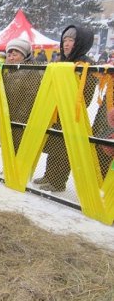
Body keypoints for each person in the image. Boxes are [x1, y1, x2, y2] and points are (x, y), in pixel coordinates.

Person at [33, 25, 97, 192]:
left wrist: (68, 103)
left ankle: (57, 181)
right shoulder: (63, 62)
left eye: (71, 40)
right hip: (57, 112)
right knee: (54, 144)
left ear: (81, 43)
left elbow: (86, 96)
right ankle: (49, 175)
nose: (67, 44)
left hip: (72, 114)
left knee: (64, 149)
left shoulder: (85, 65)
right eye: (65, 40)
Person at [3, 38, 42, 154]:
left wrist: (20, 118)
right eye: (9, 54)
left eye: (15, 54)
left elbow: (31, 96)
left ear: (24, 56)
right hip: (8, 117)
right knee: (8, 150)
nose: (11, 57)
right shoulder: (7, 70)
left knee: (20, 150)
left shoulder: (32, 70)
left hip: (21, 121)